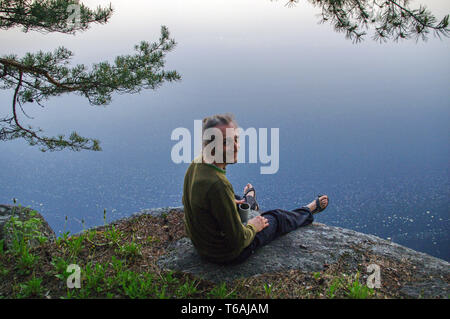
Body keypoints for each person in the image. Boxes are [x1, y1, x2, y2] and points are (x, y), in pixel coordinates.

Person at [182, 113, 329, 265]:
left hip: (202, 244)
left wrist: (228, 203)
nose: (236, 147)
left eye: (236, 139)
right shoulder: (218, 185)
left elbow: (195, 201)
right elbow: (238, 241)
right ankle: (307, 211)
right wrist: (254, 226)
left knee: (234, 197)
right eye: (226, 142)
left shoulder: (197, 163)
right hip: (224, 254)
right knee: (277, 217)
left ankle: (249, 202)